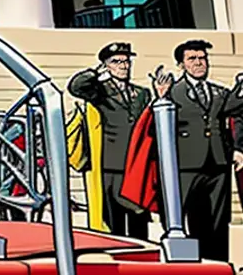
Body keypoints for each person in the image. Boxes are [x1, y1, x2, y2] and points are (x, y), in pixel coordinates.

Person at [154, 40, 243, 262]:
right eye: (192, 59)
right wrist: (161, 96)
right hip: (185, 164)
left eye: (202, 58)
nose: (199, 63)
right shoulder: (172, 91)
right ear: (181, 65)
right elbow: (158, 122)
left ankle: (218, 265)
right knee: (180, 216)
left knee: (217, 220)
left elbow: (237, 112)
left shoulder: (220, 92)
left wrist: (238, 148)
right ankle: (185, 262)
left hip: (218, 162)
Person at [66, 41, 152, 240]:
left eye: (126, 61)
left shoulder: (141, 93)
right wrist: (95, 73)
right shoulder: (99, 91)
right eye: (116, 62)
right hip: (109, 166)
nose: (123, 66)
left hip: (134, 166)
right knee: (113, 222)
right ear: (107, 65)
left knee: (139, 219)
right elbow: (76, 87)